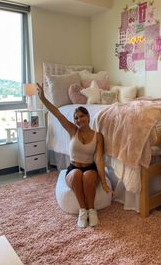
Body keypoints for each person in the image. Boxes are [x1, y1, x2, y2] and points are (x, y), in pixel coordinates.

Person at [36, 83, 111, 228]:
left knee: (88, 176)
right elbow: (57, 114)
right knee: (76, 174)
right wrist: (43, 99)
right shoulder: (72, 130)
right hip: (73, 168)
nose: (78, 120)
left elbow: (99, 159)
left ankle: (92, 211)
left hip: (90, 168)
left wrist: (103, 182)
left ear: (88, 117)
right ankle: (83, 211)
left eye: (81, 116)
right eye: (76, 118)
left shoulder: (98, 136)